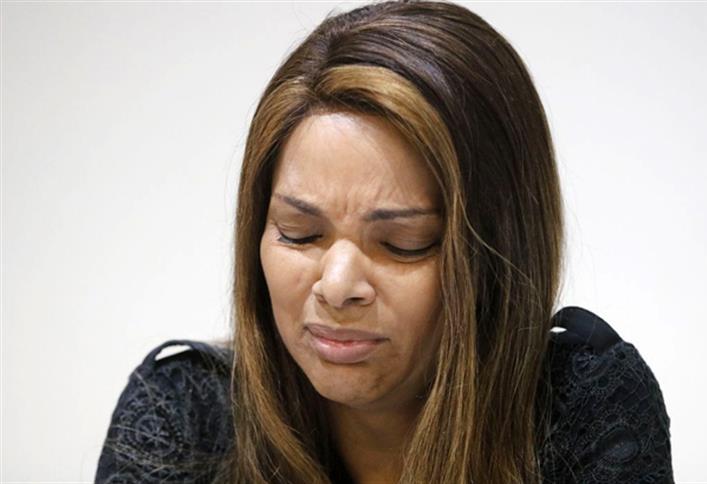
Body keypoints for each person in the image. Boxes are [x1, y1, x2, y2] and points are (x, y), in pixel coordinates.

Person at [95, 1, 674, 482]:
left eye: (404, 242)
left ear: (499, 256)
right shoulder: (184, 414)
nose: (337, 285)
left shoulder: (585, 409)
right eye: (299, 233)